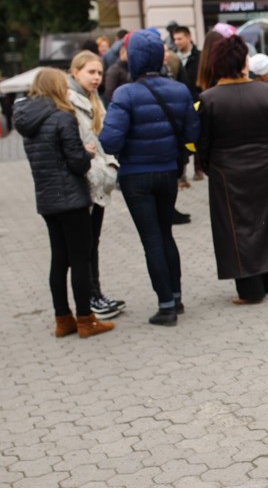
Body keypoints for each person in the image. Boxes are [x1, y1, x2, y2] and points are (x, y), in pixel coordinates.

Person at [99, 29, 200, 327]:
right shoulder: (179, 90)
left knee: (152, 239)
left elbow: (109, 142)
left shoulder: (125, 94)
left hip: (136, 178)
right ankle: (177, 297)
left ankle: (166, 306)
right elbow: (193, 133)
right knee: (166, 233)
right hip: (168, 172)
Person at [13, 68, 115, 339]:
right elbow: (76, 162)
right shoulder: (62, 118)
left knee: (59, 260)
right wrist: (88, 153)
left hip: (48, 199)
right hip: (71, 198)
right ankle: (85, 319)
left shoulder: (27, 121)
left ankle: (62, 319)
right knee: (80, 260)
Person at [197, 35, 268, 304]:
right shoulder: (265, 91)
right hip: (264, 165)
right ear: (243, 62)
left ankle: (250, 290)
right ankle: (265, 282)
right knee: (266, 220)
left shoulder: (209, 99)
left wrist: (210, 166)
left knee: (235, 228)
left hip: (225, 170)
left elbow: (202, 142)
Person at [68, 51, 124, 320]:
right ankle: (90, 297)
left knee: (94, 241)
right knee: (85, 244)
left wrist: (109, 164)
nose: (96, 77)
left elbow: (103, 138)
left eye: (99, 73)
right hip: (83, 180)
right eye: (90, 72)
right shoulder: (69, 101)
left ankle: (97, 293)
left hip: (98, 178)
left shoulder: (93, 100)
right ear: (75, 71)